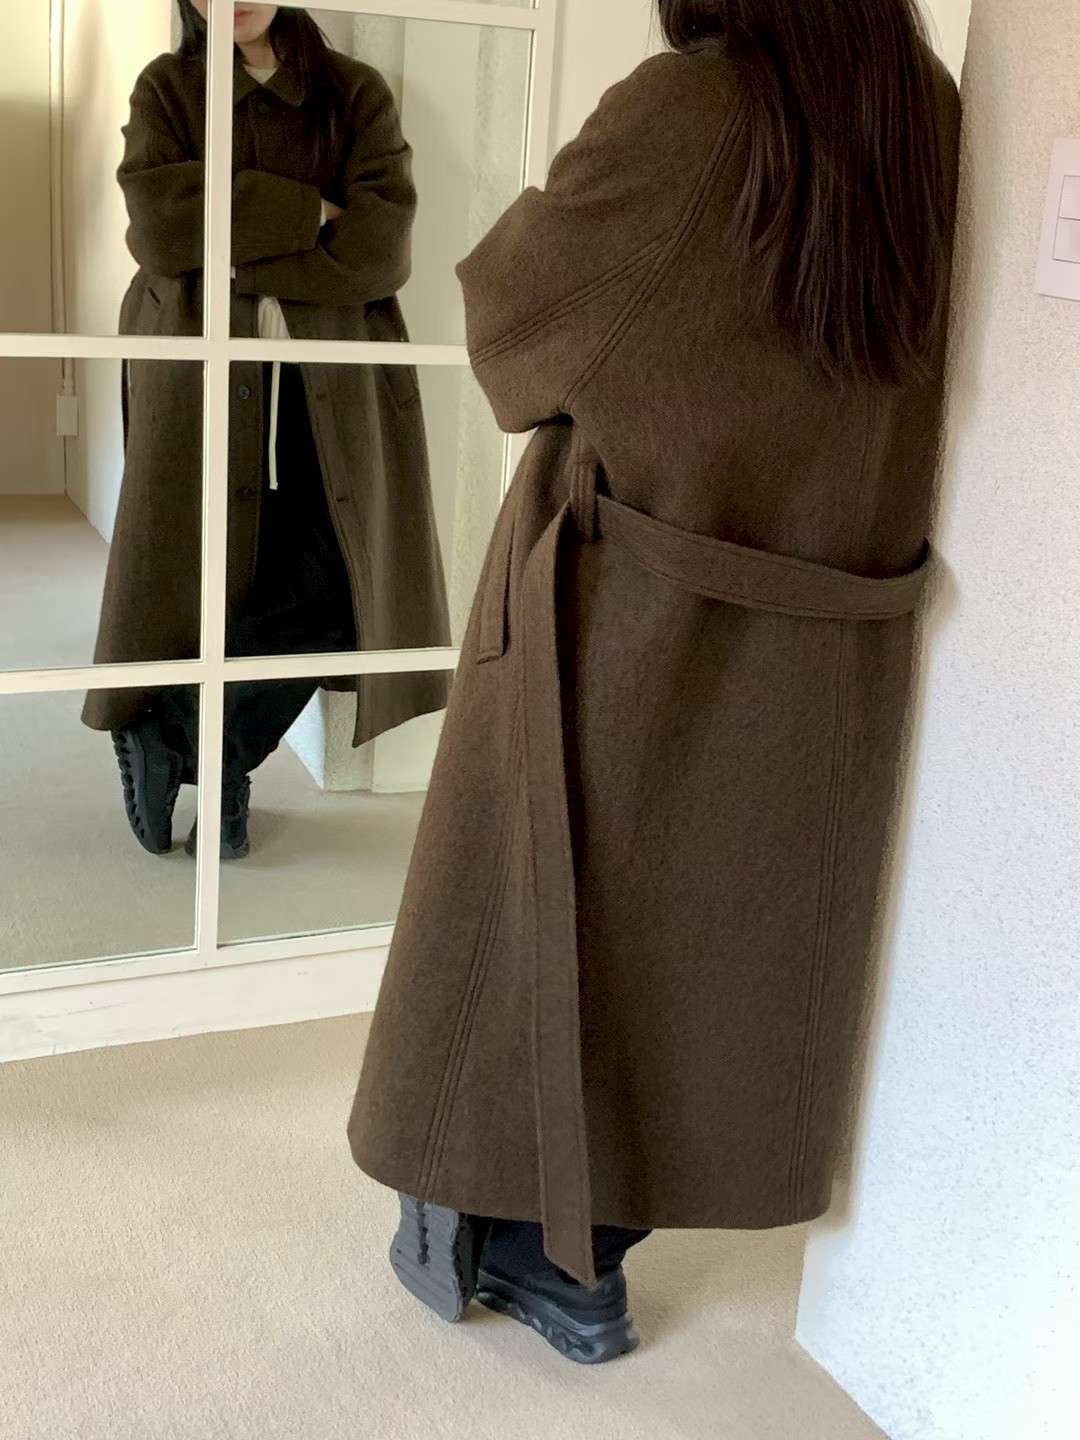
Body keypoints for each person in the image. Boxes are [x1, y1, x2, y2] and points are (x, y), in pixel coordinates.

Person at [347, 0, 961, 1364]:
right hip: (826, 641)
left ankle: (528, 1235)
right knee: (706, 947)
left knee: (543, 901)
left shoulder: (694, 111)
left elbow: (512, 329)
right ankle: (588, 1250)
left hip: (633, 610)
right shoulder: (926, 120)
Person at [83, 1, 450, 859]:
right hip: (203, 376)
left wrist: (232, 242)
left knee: (339, 580)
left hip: (330, 380)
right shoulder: (168, 88)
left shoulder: (354, 93)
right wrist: (308, 214)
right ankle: (223, 767)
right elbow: (162, 227)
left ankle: (183, 737)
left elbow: (381, 248)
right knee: (214, 570)